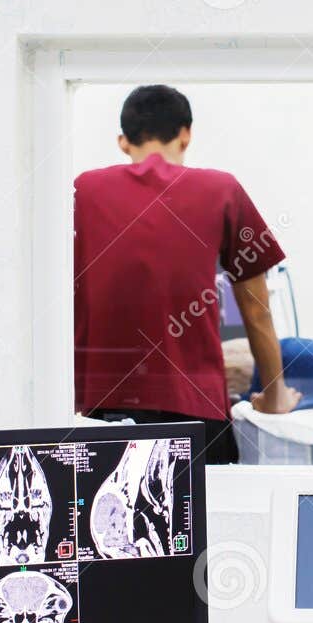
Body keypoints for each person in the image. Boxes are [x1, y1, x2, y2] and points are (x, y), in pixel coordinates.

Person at [73, 84, 300, 464]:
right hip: (196, 414)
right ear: (186, 134)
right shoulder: (221, 188)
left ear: (123, 141)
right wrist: (275, 397)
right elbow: (257, 310)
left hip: (98, 412)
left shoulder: (83, 189)